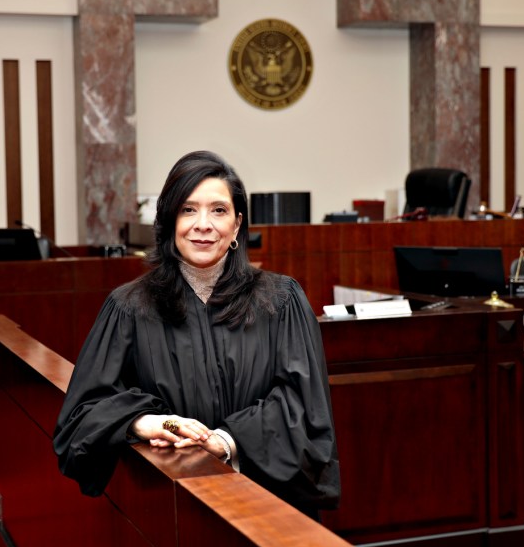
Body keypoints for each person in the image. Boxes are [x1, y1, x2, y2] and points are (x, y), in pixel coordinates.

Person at [53, 150, 340, 515]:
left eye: (218, 210)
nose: (203, 224)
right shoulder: (128, 307)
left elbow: (303, 405)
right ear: (169, 220)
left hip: (266, 504)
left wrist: (225, 441)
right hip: (166, 504)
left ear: (237, 225)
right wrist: (144, 422)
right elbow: (81, 417)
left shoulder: (280, 302)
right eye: (188, 209)